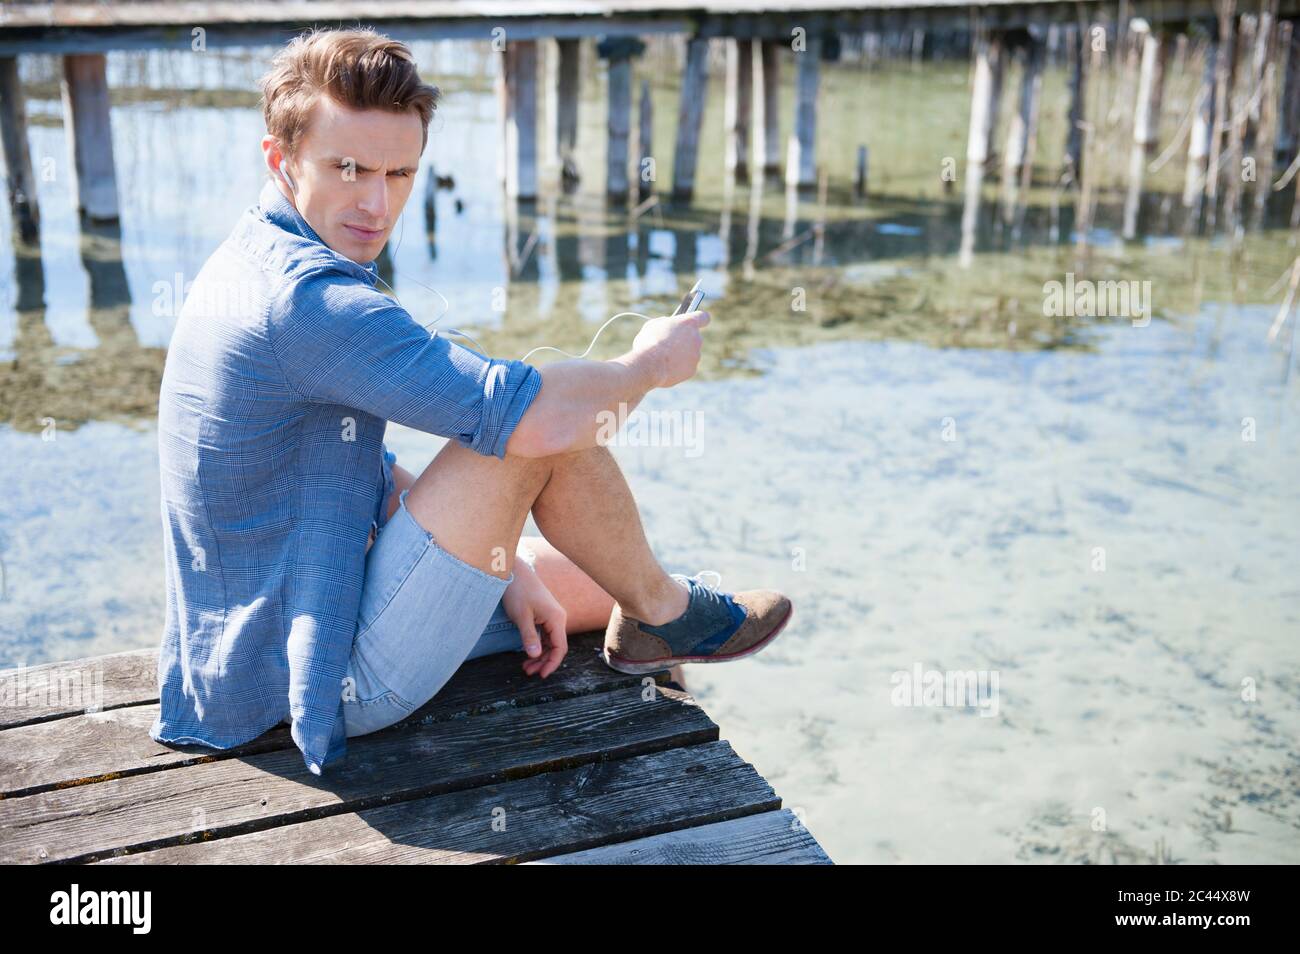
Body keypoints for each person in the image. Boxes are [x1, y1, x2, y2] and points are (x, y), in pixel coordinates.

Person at [150, 26, 792, 776]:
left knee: (595, 575)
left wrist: (511, 568)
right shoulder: (307, 304)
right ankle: (669, 616)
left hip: (273, 625)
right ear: (280, 158)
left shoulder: (257, 252)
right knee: (533, 425)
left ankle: (656, 612)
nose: (376, 202)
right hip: (309, 678)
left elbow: (342, 463)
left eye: (399, 173)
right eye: (348, 168)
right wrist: (647, 364)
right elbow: (531, 417)